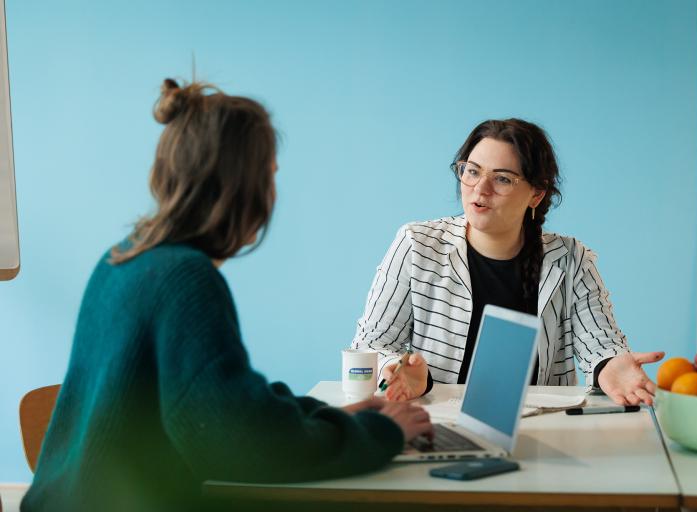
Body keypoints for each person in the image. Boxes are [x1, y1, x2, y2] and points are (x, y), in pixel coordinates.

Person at [22, 79, 432, 512]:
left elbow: (228, 403)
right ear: (243, 185)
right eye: (271, 175)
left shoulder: (123, 258)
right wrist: (383, 433)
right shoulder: (186, 280)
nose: (274, 194)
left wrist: (331, 418)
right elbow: (241, 445)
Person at [351, 118, 664, 406]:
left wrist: (609, 365)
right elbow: (369, 345)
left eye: (502, 179)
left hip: (541, 430)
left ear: (536, 195)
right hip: (436, 424)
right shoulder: (418, 244)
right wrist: (402, 372)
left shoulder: (570, 259)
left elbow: (601, 344)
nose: (480, 189)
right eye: (472, 171)